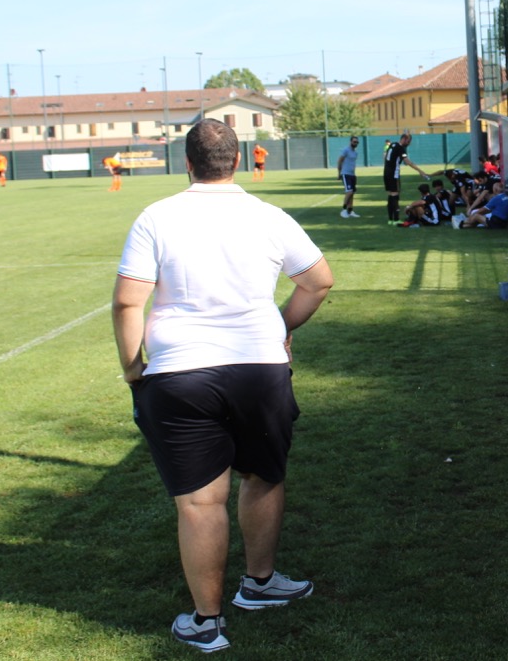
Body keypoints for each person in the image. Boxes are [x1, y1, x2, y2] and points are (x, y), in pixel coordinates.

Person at [112, 119, 334, 654]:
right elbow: (318, 280)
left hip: (179, 373)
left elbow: (127, 301)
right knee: (264, 476)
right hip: (259, 367)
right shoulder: (269, 215)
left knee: (200, 503)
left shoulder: (156, 216)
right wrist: (281, 328)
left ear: (187, 163)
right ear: (238, 161)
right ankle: (259, 583)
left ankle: (207, 622)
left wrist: (133, 367)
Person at [383, 133, 430, 225]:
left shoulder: (393, 144)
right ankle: (396, 220)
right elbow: (407, 161)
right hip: (394, 174)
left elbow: (386, 157)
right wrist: (420, 171)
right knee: (395, 196)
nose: (408, 144)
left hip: (386, 173)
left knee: (391, 195)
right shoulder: (400, 148)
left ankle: (390, 220)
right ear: (404, 139)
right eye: (408, 141)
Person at [336, 137, 360, 218]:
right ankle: (343, 210)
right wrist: (339, 173)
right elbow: (340, 160)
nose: (355, 143)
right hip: (345, 174)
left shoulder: (355, 153)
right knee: (349, 191)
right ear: (350, 141)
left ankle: (350, 211)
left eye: (357, 142)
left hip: (352, 174)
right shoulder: (346, 150)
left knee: (352, 193)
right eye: (354, 141)